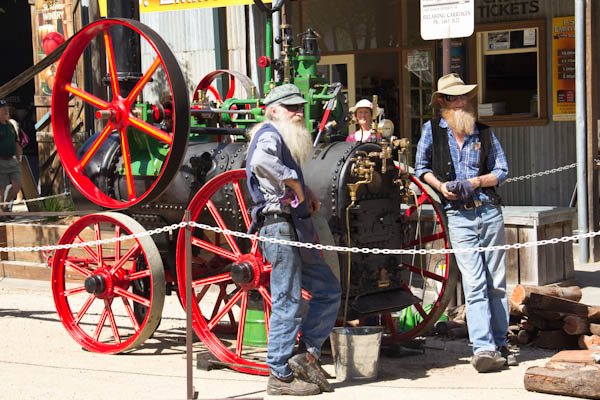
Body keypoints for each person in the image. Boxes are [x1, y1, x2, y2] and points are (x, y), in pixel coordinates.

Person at [414, 73, 515, 373]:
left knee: (496, 281)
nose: (462, 102)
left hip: (488, 210)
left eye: (464, 97)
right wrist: (441, 186)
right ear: (443, 102)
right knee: (474, 282)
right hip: (458, 216)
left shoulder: (483, 132)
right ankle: (483, 348)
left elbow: (502, 169)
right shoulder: (431, 130)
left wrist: (476, 182)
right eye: (455, 97)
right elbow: (421, 168)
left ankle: (500, 342)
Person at [246, 84, 342, 395]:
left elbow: (287, 175)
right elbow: (261, 162)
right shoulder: (270, 134)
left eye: (300, 107)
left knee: (328, 290)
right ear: (273, 110)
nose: (299, 113)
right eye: (291, 108)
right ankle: (279, 374)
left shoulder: (285, 137)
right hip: (279, 227)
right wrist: (295, 186)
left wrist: (307, 192)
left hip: (294, 227)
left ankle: (305, 355)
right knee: (287, 300)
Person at [0, 99, 22, 215]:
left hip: (12, 160)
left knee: (17, 185)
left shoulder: (10, 125)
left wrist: (19, 159)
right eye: (2, 109)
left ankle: (5, 208)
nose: (5, 111)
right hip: (1, 161)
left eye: (6, 109)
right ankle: (2, 212)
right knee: (1, 189)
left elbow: (17, 143)